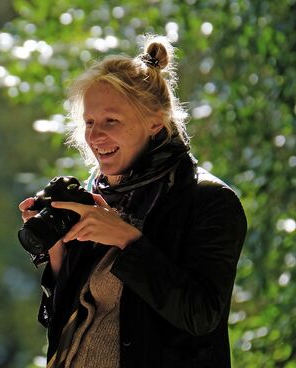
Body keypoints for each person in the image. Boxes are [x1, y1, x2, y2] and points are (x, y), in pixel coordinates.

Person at [19, 35, 247, 367]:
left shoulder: (209, 201)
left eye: (111, 121)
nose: (95, 136)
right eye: (90, 123)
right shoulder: (95, 195)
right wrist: (58, 254)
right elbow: (62, 324)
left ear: (156, 121)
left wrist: (127, 239)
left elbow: (201, 315)